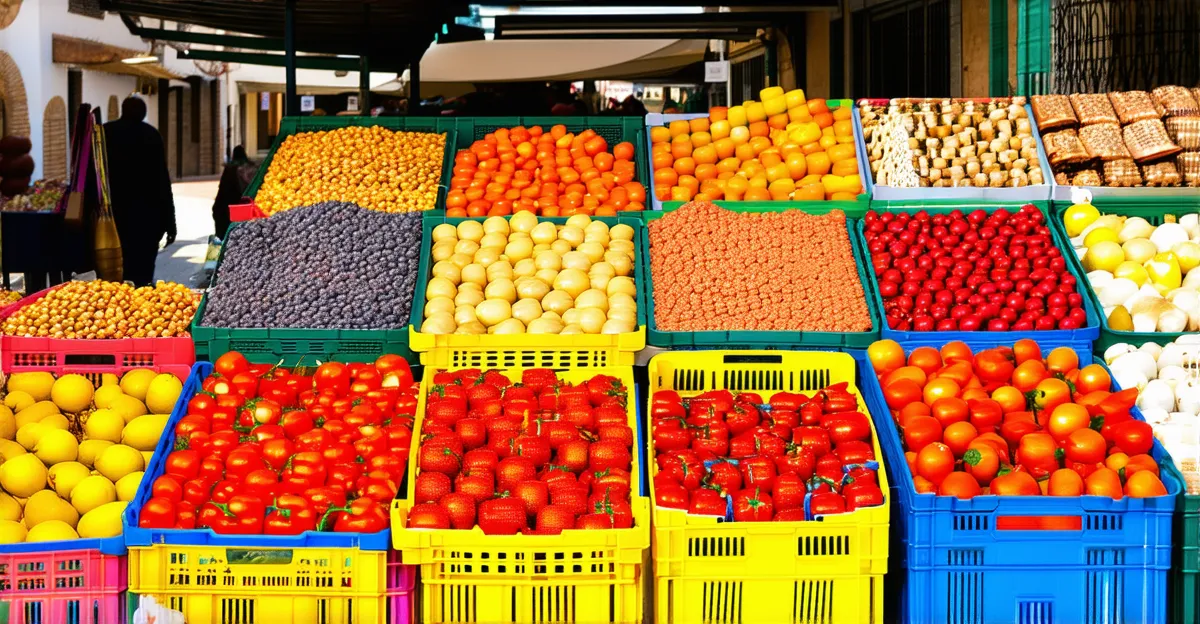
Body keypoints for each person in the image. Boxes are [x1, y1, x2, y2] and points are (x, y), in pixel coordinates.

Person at [103, 96, 175, 286]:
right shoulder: (151, 135)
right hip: (147, 217)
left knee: (116, 268)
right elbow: (162, 181)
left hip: (115, 214)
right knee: (142, 271)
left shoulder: (106, 132)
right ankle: (141, 301)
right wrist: (170, 221)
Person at [211, 145, 257, 240]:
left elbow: (223, 189)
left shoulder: (230, 169)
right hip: (246, 204)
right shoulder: (251, 168)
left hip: (229, 205)